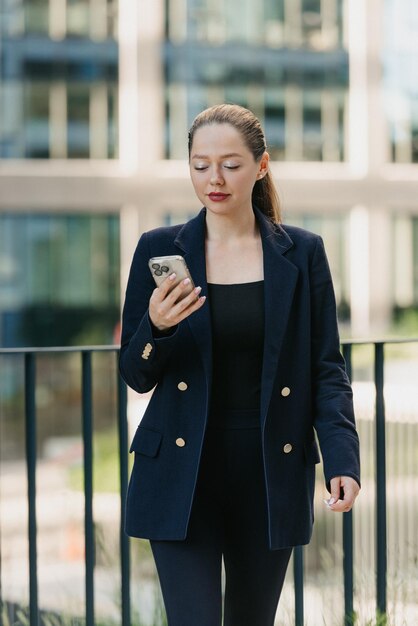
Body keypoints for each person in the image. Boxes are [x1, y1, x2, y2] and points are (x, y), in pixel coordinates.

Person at [119, 103, 360, 626]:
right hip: (180, 473)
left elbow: (326, 367)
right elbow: (135, 375)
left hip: (269, 471)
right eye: (200, 164)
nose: (214, 178)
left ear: (262, 166)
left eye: (230, 163)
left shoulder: (301, 253)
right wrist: (156, 329)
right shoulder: (158, 249)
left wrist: (343, 460)